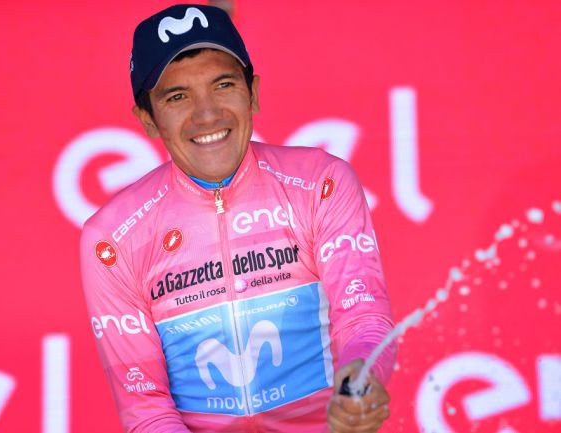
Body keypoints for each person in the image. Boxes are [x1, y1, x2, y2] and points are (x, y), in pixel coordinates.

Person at [80, 4, 396, 432]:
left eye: (223, 84)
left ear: (254, 92)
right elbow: (146, 407)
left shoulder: (320, 183)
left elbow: (362, 318)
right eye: (177, 97)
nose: (207, 114)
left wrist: (362, 376)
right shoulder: (112, 238)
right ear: (148, 120)